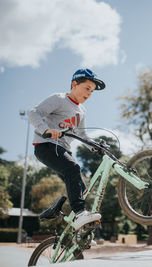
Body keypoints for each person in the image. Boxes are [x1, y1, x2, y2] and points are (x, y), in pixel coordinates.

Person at [28, 68, 105, 230]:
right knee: (73, 168)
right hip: (46, 146)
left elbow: (82, 134)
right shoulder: (59, 99)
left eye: (92, 91)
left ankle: (73, 225)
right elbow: (34, 112)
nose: (89, 94)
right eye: (87, 88)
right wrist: (46, 130)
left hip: (63, 150)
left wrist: (95, 146)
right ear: (74, 84)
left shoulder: (82, 111)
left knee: (82, 188)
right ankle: (79, 213)